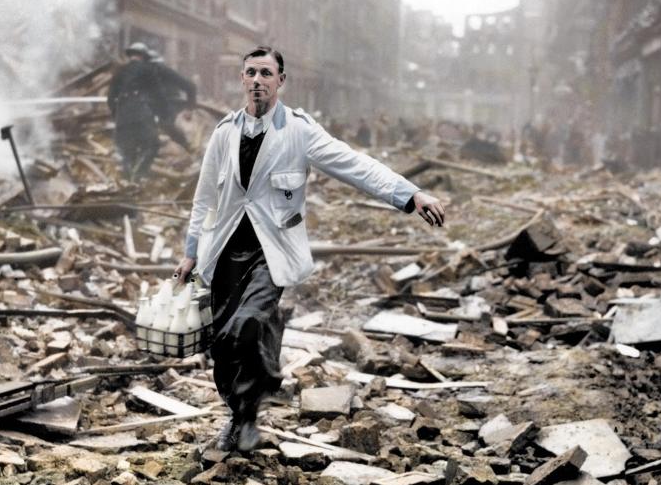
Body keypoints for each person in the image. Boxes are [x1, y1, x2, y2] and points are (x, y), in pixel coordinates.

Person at [173, 46, 445, 452]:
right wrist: (191, 250)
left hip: (272, 251)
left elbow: (354, 165)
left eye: (266, 73)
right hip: (225, 251)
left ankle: (247, 415)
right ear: (241, 79)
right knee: (224, 343)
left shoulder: (299, 131)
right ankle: (237, 407)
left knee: (246, 324)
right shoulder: (224, 133)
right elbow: (203, 198)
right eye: (251, 73)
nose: (257, 80)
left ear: (281, 81)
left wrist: (410, 194)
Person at [107, 42, 197, 178]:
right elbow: (158, 94)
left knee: (127, 153)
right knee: (152, 144)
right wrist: (166, 115)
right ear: (144, 57)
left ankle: (127, 184)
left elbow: (110, 98)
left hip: (124, 116)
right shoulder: (148, 70)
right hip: (142, 113)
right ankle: (137, 178)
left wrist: (117, 115)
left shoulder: (120, 72)